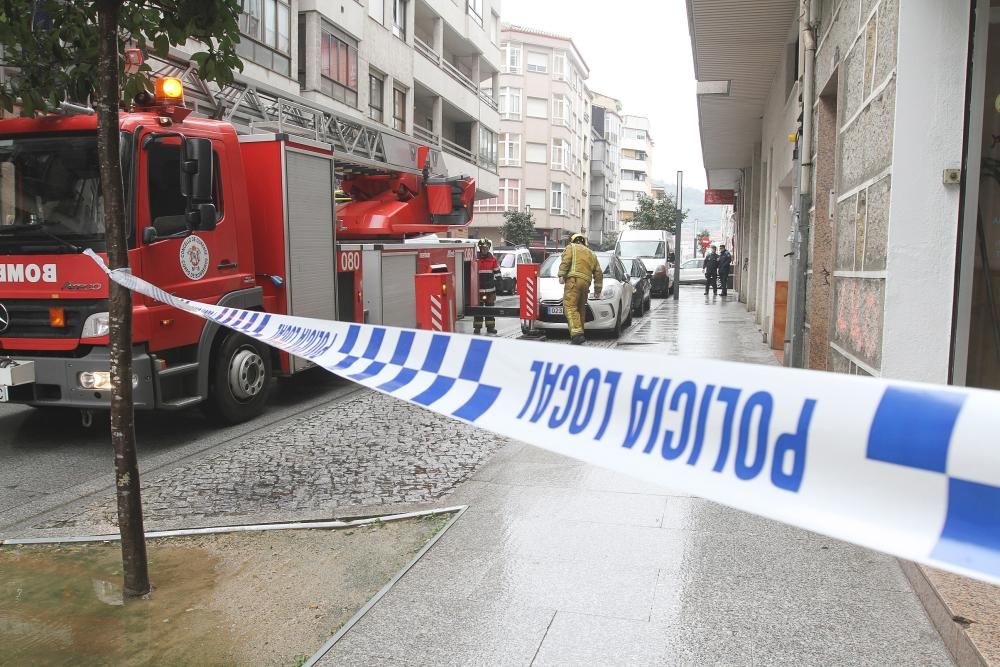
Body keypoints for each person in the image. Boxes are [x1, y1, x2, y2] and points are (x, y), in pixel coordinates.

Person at [558, 233, 602, 345]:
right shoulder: (591, 254)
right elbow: (598, 273)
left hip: (573, 281)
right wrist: (597, 290)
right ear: (584, 242)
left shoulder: (571, 247)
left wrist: (561, 274)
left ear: (573, 240)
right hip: (586, 284)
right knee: (580, 309)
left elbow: (566, 261)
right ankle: (580, 333)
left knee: (570, 306)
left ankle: (577, 335)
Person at [474, 238, 500, 335]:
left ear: (488, 248)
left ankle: (490, 328)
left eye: (486, 248)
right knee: (478, 311)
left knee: (490, 310)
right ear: (480, 248)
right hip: (478, 290)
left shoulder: (493, 260)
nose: (484, 249)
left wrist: (499, 281)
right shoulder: (476, 260)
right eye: (483, 248)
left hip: (490, 290)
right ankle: (477, 328)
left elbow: (497, 272)